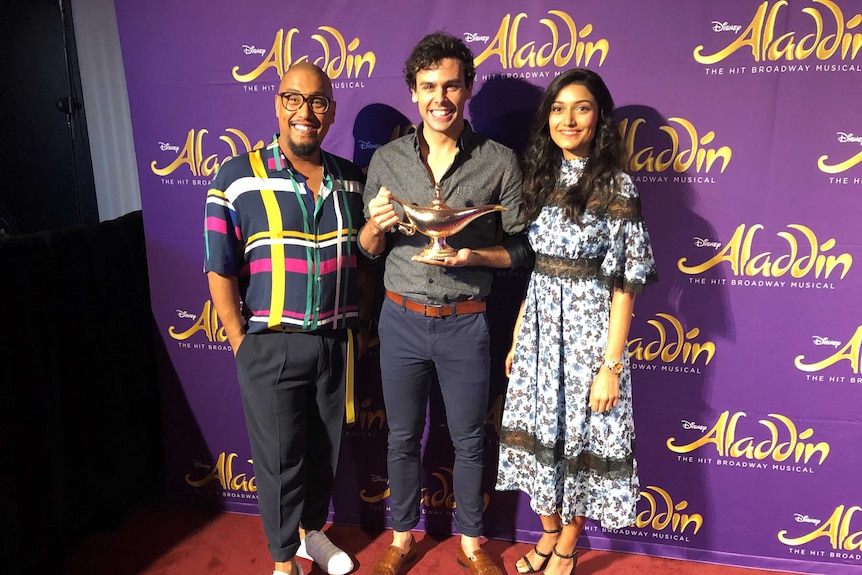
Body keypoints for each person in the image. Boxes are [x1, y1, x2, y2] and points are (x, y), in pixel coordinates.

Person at [358, 32, 532, 575]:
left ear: (468, 88)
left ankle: (473, 543)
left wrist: (474, 256)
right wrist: (374, 226)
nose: (441, 97)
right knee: (404, 437)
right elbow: (368, 249)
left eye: (451, 85)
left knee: (469, 440)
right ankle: (402, 536)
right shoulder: (386, 161)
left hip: (465, 323)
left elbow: (524, 249)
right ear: (414, 92)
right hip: (400, 318)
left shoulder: (499, 162)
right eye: (429, 86)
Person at [204, 62, 372, 575]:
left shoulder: (351, 179)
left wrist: (359, 329)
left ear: (332, 111)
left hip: (333, 343)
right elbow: (219, 266)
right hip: (269, 344)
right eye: (294, 99)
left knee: (324, 452)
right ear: (278, 104)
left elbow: (366, 260)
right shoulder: (236, 176)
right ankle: (283, 562)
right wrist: (241, 342)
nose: (306, 111)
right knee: (279, 461)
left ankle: (311, 535)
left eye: (318, 101)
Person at [495, 68, 658, 575]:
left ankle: (566, 547)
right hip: (541, 331)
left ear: (598, 117)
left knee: (583, 440)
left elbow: (626, 283)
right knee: (540, 435)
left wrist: (611, 364)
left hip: (589, 336)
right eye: (559, 108)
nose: (568, 119)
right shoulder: (538, 177)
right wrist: (522, 334)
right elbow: (539, 267)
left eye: (581, 107)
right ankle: (547, 535)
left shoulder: (616, 185)